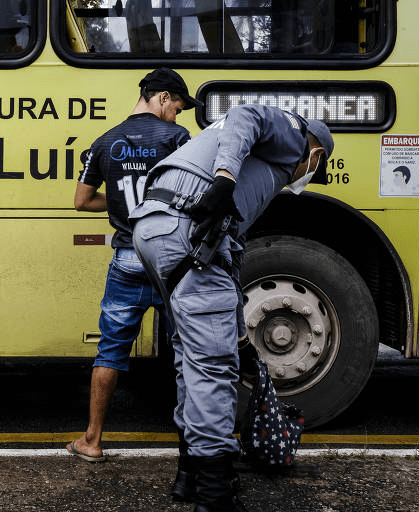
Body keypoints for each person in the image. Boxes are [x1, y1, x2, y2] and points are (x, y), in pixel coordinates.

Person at [130, 104, 334, 512]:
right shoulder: (294, 136)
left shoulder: (255, 171)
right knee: (213, 367)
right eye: (317, 169)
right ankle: (215, 493)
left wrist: (240, 335)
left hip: (157, 229)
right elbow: (246, 115)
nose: (308, 176)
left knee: (192, 358)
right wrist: (223, 180)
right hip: (188, 231)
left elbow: (231, 251)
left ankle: (189, 475)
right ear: (315, 156)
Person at [66, 68, 202, 463]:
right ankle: (195, 446)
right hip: (170, 262)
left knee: (110, 351)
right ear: (161, 98)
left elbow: (81, 200)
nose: (177, 116)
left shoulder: (105, 142)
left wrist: (123, 210)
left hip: (127, 257)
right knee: (187, 351)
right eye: (176, 107)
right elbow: (192, 193)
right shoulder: (176, 139)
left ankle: (91, 441)